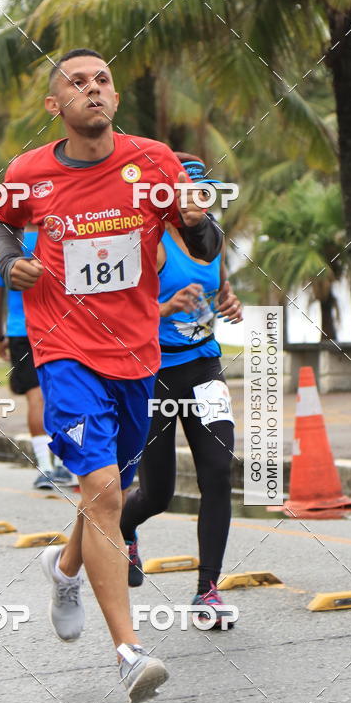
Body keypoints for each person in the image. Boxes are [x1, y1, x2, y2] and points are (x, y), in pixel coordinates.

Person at [0, 49, 222, 703]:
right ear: (54, 105)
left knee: (108, 493)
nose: (92, 89)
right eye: (77, 83)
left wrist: (200, 223)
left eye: (103, 80)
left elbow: (205, 246)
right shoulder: (28, 173)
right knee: (102, 490)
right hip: (63, 350)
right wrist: (9, 263)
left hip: (137, 356)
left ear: (114, 97)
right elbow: (0, 223)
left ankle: (64, 569)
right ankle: (128, 651)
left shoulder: (154, 162)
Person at [121, 154, 242, 628]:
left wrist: (228, 302)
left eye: (201, 193)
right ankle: (125, 527)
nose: (194, 202)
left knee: (218, 472)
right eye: (183, 194)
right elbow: (121, 313)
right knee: (159, 494)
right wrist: (166, 306)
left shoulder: (215, 238)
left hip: (204, 367)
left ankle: (207, 590)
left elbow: (218, 289)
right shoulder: (152, 241)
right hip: (154, 374)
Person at [0, 228, 75, 489]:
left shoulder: (6, 249)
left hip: (21, 331)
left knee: (36, 398)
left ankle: (45, 469)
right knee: (63, 394)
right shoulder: (62, 241)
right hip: (59, 328)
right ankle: (64, 465)